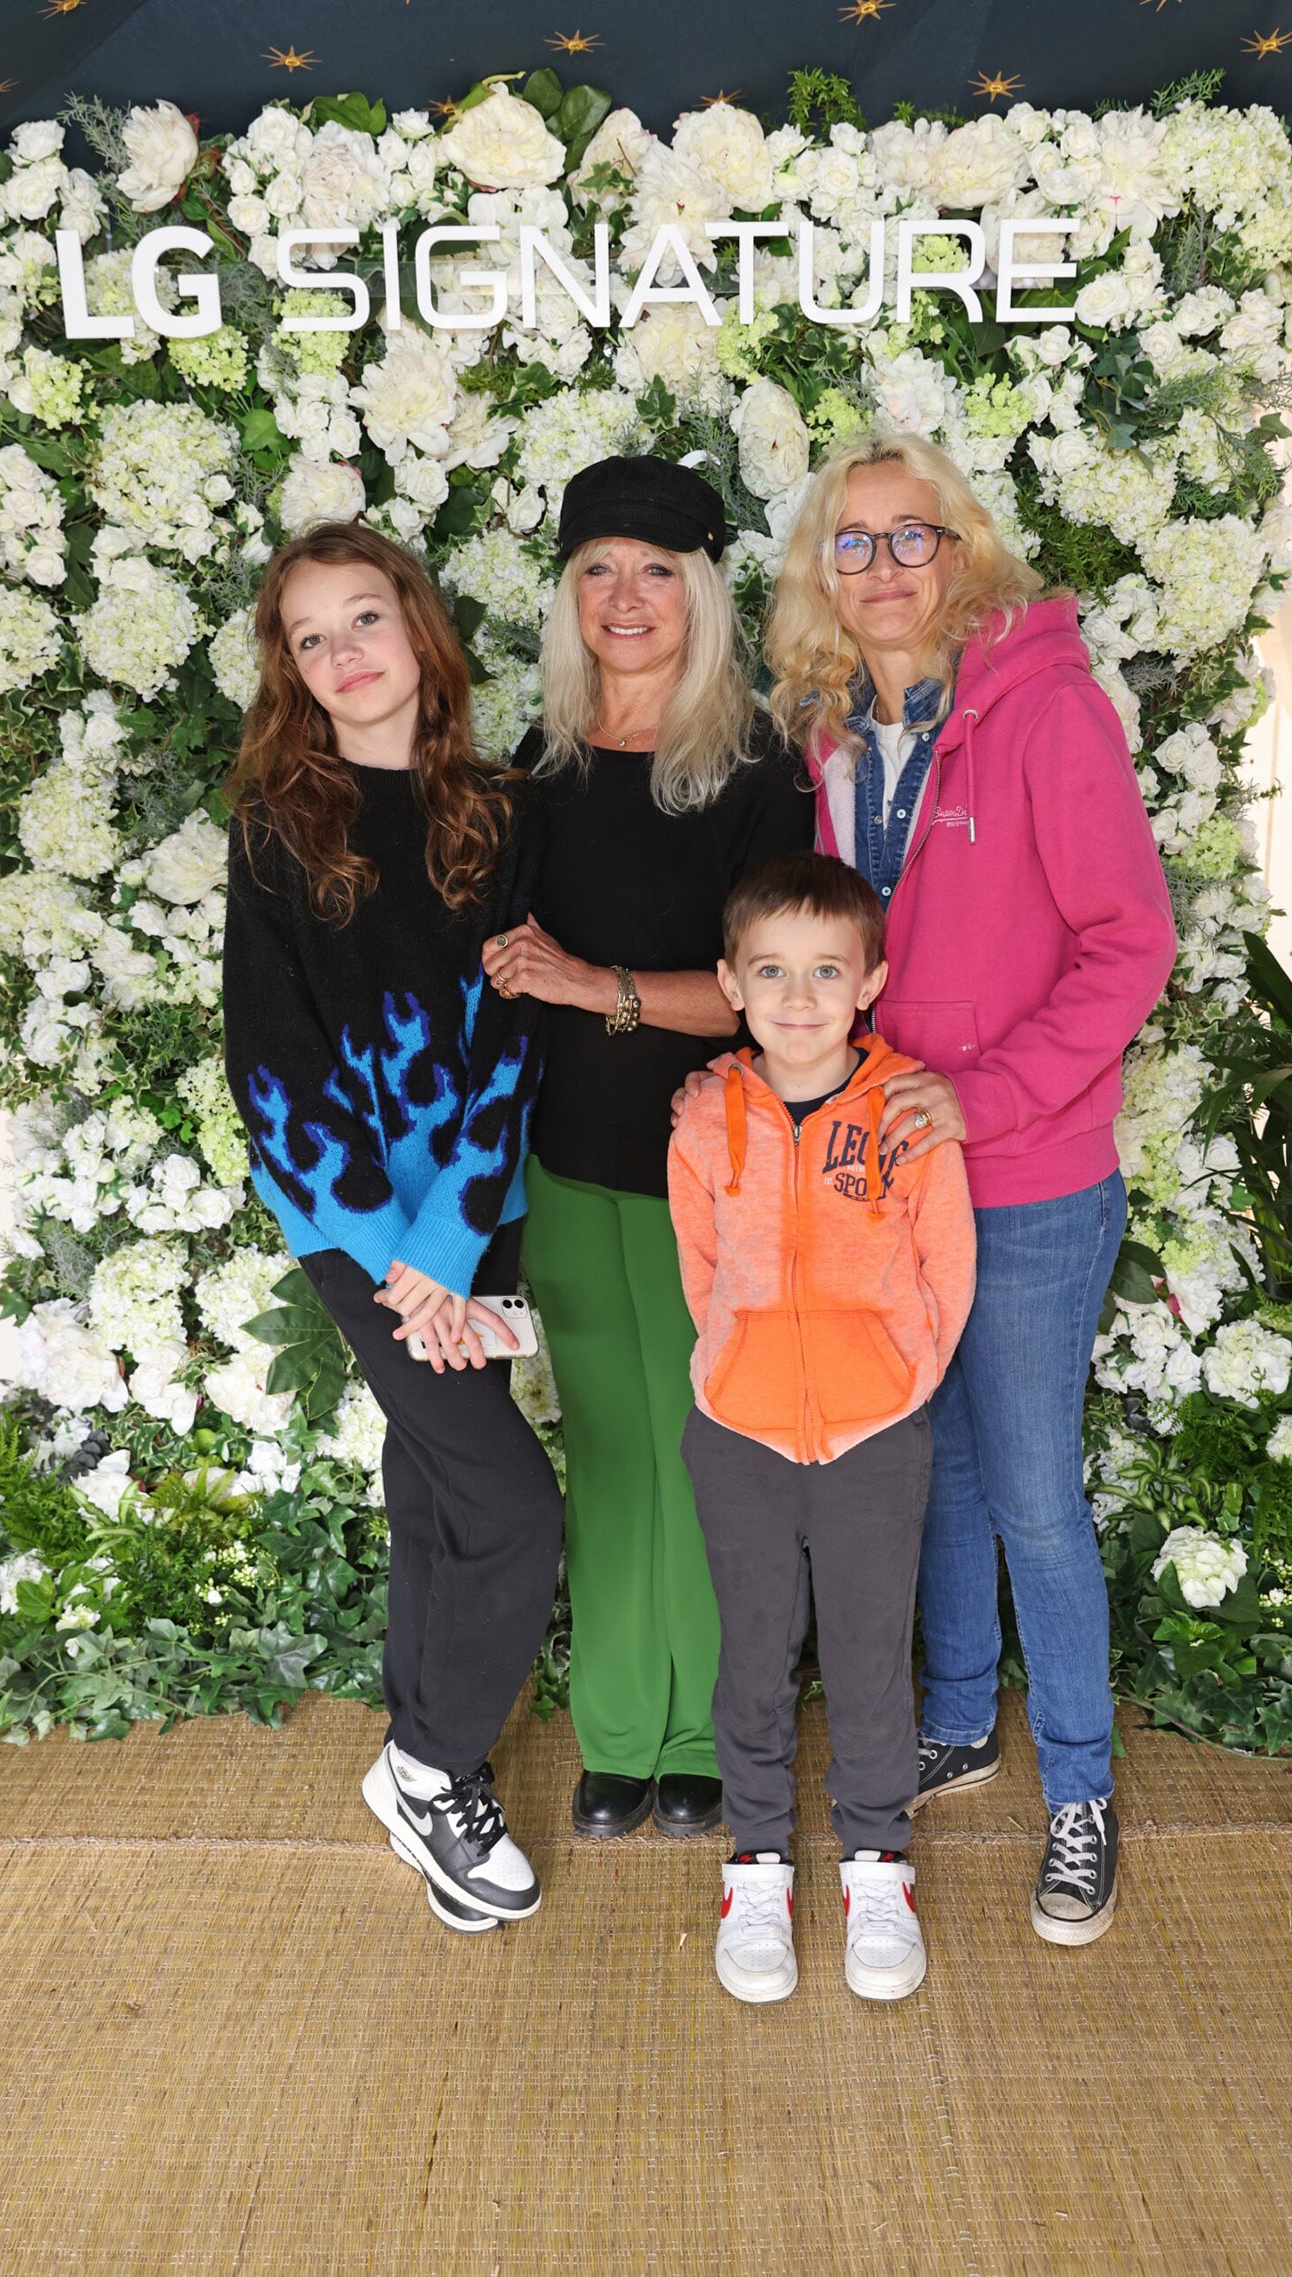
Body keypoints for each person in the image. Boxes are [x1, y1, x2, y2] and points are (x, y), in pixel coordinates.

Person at [768, 430, 1177, 1946]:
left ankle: (1082, 1790)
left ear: (963, 551)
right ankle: (958, 1716)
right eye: (851, 542)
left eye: (910, 536)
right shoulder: (826, 729)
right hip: (888, 1172)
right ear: (824, 571)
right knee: (926, 1460)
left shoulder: (1045, 708)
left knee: (1029, 1489)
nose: (881, 567)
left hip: (1029, 1170)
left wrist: (987, 1096)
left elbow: (1129, 943)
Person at [223, 520, 563, 1937]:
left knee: (438, 1486)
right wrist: (397, 1258)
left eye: (364, 619)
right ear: (292, 673)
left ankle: (429, 1750)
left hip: (477, 1211)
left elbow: (511, 1034)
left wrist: (453, 1242)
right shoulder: (278, 828)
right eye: (312, 638)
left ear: (418, 629)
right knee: (512, 1506)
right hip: (354, 1228)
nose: (344, 654)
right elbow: (274, 1064)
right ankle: (426, 1770)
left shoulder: (503, 810)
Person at [482, 457, 814, 1840]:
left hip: (711, 1172)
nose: (627, 598)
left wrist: (590, 985)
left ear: (702, 591)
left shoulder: (755, 767)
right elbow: (497, 969)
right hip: (564, 1164)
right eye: (599, 570)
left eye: (656, 571)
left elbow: (769, 986)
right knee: (610, 1447)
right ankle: (620, 1735)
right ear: (569, 595)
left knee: (705, 1450)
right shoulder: (536, 765)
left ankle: (709, 1737)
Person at [670, 852, 975, 2003]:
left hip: (874, 1439)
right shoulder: (705, 1120)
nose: (799, 999)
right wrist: (743, 1378)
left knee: (864, 1662)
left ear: (870, 982)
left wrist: (893, 1384)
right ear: (732, 985)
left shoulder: (907, 1115)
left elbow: (947, 1267)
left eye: (826, 972)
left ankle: (877, 1864)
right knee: (752, 1659)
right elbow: (704, 1276)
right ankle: (755, 1866)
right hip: (738, 1434)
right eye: (772, 973)